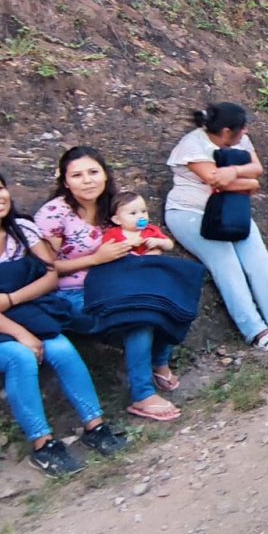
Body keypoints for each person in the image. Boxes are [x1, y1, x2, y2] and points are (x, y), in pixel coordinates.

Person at [0, 166, 127, 477]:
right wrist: (21, 334)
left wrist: (10, 300)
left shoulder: (22, 228)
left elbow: (50, 275)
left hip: (19, 312)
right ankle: (43, 445)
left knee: (61, 348)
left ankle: (95, 426)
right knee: (21, 358)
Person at [36, 147, 181, 422]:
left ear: (105, 174)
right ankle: (142, 394)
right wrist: (94, 259)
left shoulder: (113, 208)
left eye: (93, 172)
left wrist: (150, 248)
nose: (87, 180)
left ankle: (159, 359)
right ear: (65, 182)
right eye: (77, 175)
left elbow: (143, 232)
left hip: (117, 283)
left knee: (167, 294)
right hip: (71, 293)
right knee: (135, 316)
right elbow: (44, 268)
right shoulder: (55, 214)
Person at [165, 103, 268, 353]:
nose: (245, 132)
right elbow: (217, 182)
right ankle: (255, 330)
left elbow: (255, 169)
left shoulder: (240, 140)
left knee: (259, 260)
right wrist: (248, 184)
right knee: (227, 264)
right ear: (226, 131)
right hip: (190, 213)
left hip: (231, 210)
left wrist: (237, 172)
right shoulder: (193, 144)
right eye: (241, 128)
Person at [100, 192, 174, 256]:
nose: (141, 216)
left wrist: (159, 242)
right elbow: (105, 251)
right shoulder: (112, 234)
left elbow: (170, 245)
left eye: (144, 211)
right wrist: (127, 244)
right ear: (117, 220)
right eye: (133, 213)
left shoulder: (152, 230)